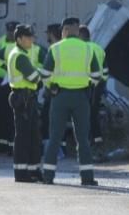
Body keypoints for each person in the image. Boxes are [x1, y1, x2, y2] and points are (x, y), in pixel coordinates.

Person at [40, 16, 101, 186]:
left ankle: (48, 176)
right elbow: (97, 75)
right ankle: (87, 177)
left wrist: (51, 87)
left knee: (55, 137)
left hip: (59, 96)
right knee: (83, 139)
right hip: (81, 97)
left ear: (64, 30)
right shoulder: (88, 49)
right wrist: (89, 86)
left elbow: (44, 74)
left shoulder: (55, 48)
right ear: (77, 30)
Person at [7, 24, 43, 183]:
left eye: (32, 37)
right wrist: (40, 76)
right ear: (19, 39)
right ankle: (22, 173)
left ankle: (33, 170)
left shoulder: (20, 53)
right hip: (24, 99)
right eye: (28, 37)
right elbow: (34, 77)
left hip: (26, 98)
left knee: (32, 136)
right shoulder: (20, 56)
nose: (31, 40)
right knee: (24, 138)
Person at [79, 24, 109, 150]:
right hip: (99, 84)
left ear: (81, 36)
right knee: (93, 113)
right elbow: (106, 70)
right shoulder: (99, 48)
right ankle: (97, 141)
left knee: (85, 114)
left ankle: (89, 142)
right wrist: (102, 85)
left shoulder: (81, 49)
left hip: (87, 85)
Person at [0, 21, 19, 153]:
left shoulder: (22, 46)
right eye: (9, 31)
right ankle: (1, 143)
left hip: (16, 84)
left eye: (13, 32)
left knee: (12, 116)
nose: (10, 34)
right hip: (1, 84)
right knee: (1, 114)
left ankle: (11, 145)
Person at [40, 23, 62, 141]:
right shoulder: (63, 47)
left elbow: (47, 72)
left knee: (47, 118)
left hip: (53, 90)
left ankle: (49, 146)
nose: (47, 36)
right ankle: (60, 148)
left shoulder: (54, 49)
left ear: (51, 34)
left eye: (48, 33)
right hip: (63, 89)